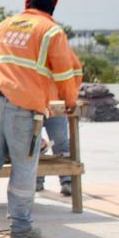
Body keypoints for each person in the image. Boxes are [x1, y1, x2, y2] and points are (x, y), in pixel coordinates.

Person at [0, 0, 79, 238]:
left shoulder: (5, 25)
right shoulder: (51, 31)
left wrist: (5, 68)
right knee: (23, 168)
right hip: (25, 109)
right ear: (52, 8)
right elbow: (65, 72)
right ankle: (20, 227)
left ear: (27, 3)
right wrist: (70, 100)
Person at [37, 49, 82, 196]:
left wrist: (69, 97)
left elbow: (75, 70)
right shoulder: (29, 47)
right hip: (32, 104)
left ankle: (67, 180)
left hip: (54, 105)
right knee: (34, 144)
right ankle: (37, 178)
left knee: (60, 142)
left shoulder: (59, 47)